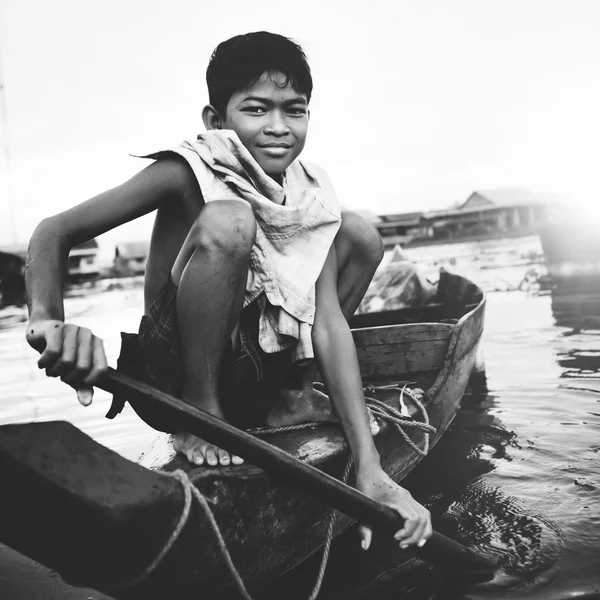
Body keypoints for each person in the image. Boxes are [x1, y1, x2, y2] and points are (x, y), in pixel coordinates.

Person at [25, 31, 432, 550]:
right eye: (257, 110)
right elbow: (52, 233)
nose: (278, 128)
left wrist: (370, 469)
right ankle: (203, 416)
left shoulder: (309, 190)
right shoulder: (186, 168)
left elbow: (326, 318)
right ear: (217, 121)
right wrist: (48, 320)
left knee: (360, 234)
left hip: (253, 367)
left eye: (295, 110)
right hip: (173, 379)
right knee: (231, 221)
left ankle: (289, 395)